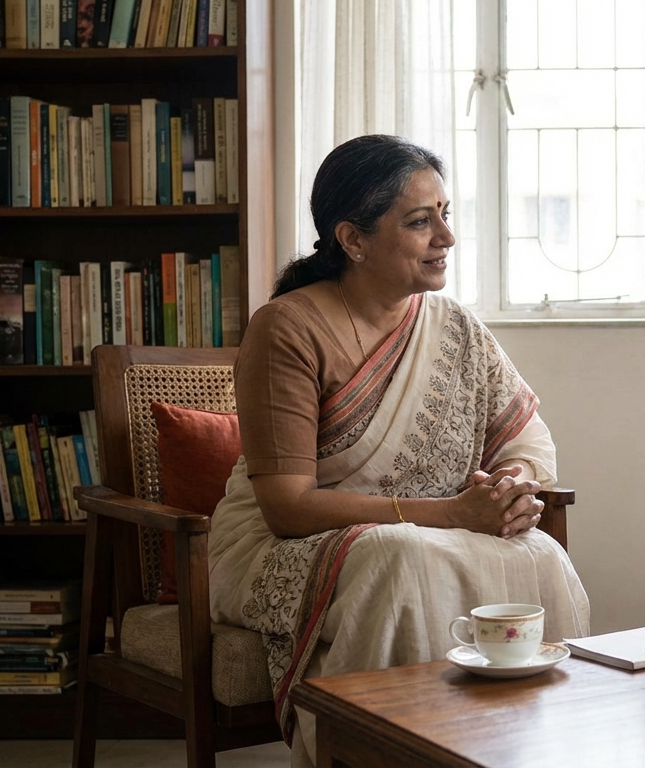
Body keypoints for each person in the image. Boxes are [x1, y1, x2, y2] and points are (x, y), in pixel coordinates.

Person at [208, 134, 590, 766]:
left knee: (540, 553)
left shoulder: (455, 327)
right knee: (401, 556)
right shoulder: (288, 328)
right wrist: (453, 514)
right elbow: (286, 507)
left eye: (445, 214)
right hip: (278, 547)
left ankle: (521, 753)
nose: (446, 236)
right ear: (353, 239)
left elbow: (526, 440)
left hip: (426, 535)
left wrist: (509, 486)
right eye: (420, 221)